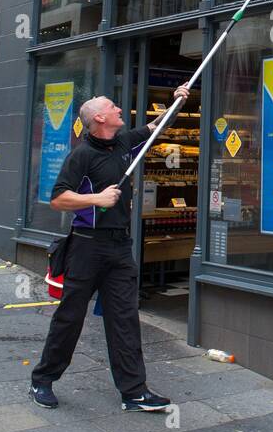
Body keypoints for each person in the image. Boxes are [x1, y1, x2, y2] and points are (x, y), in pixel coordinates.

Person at [29, 86, 190, 411]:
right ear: (99, 118)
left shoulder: (122, 142)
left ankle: (134, 392)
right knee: (71, 317)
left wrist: (178, 100)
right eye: (113, 106)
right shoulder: (82, 155)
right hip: (87, 247)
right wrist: (95, 199)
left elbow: (156, 127)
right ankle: (42, 380)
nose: (120, 109)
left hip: (118, 247)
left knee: (124, 318)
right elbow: (59, 198)